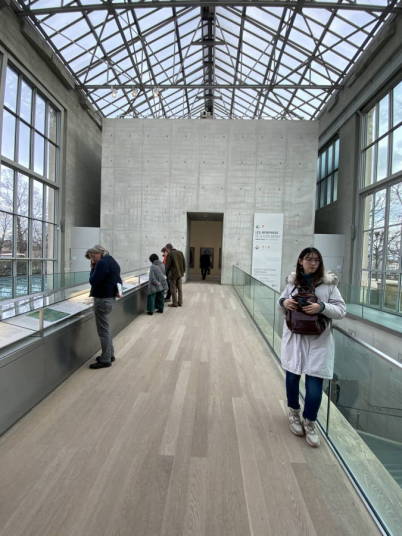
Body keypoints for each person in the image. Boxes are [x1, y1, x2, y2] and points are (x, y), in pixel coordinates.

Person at [278, 247, 346, 447]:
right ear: (301, 261)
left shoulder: (329, 285)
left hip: (319, 341)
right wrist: (285, 302)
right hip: (295, 339)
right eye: (309, 259)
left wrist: (321, 307)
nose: (313, 263)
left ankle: (310, 422)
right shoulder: (293, 282)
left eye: (317, 260)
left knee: (315, 386)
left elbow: (341, 310)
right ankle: (294, 413)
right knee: (292, 379)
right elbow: (280, 302)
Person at [85, 245, 122, 369]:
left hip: (102, 299)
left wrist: (93, 267)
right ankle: (109, 355)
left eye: (92, 256)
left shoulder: (101, 263)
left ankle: (106, 360)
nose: (92, 259)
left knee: (103, 331)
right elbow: (118, 279)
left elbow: (92, 281)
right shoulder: (112, 260)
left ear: (98, 253)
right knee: (106, 329)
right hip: (109, 299)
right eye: (91, 258)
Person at [165, 243, 186, 307]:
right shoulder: (180, 253)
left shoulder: (170, 254)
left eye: (166, 249)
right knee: (180, 289)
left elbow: (167, 265)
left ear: (168, 248)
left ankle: (175, 303)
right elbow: (184, 263)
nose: (166, 251)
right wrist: (183, 271)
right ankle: (180, 302)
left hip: (173, 275)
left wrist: (165, 273)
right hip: (180, 273)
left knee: (173, 289)